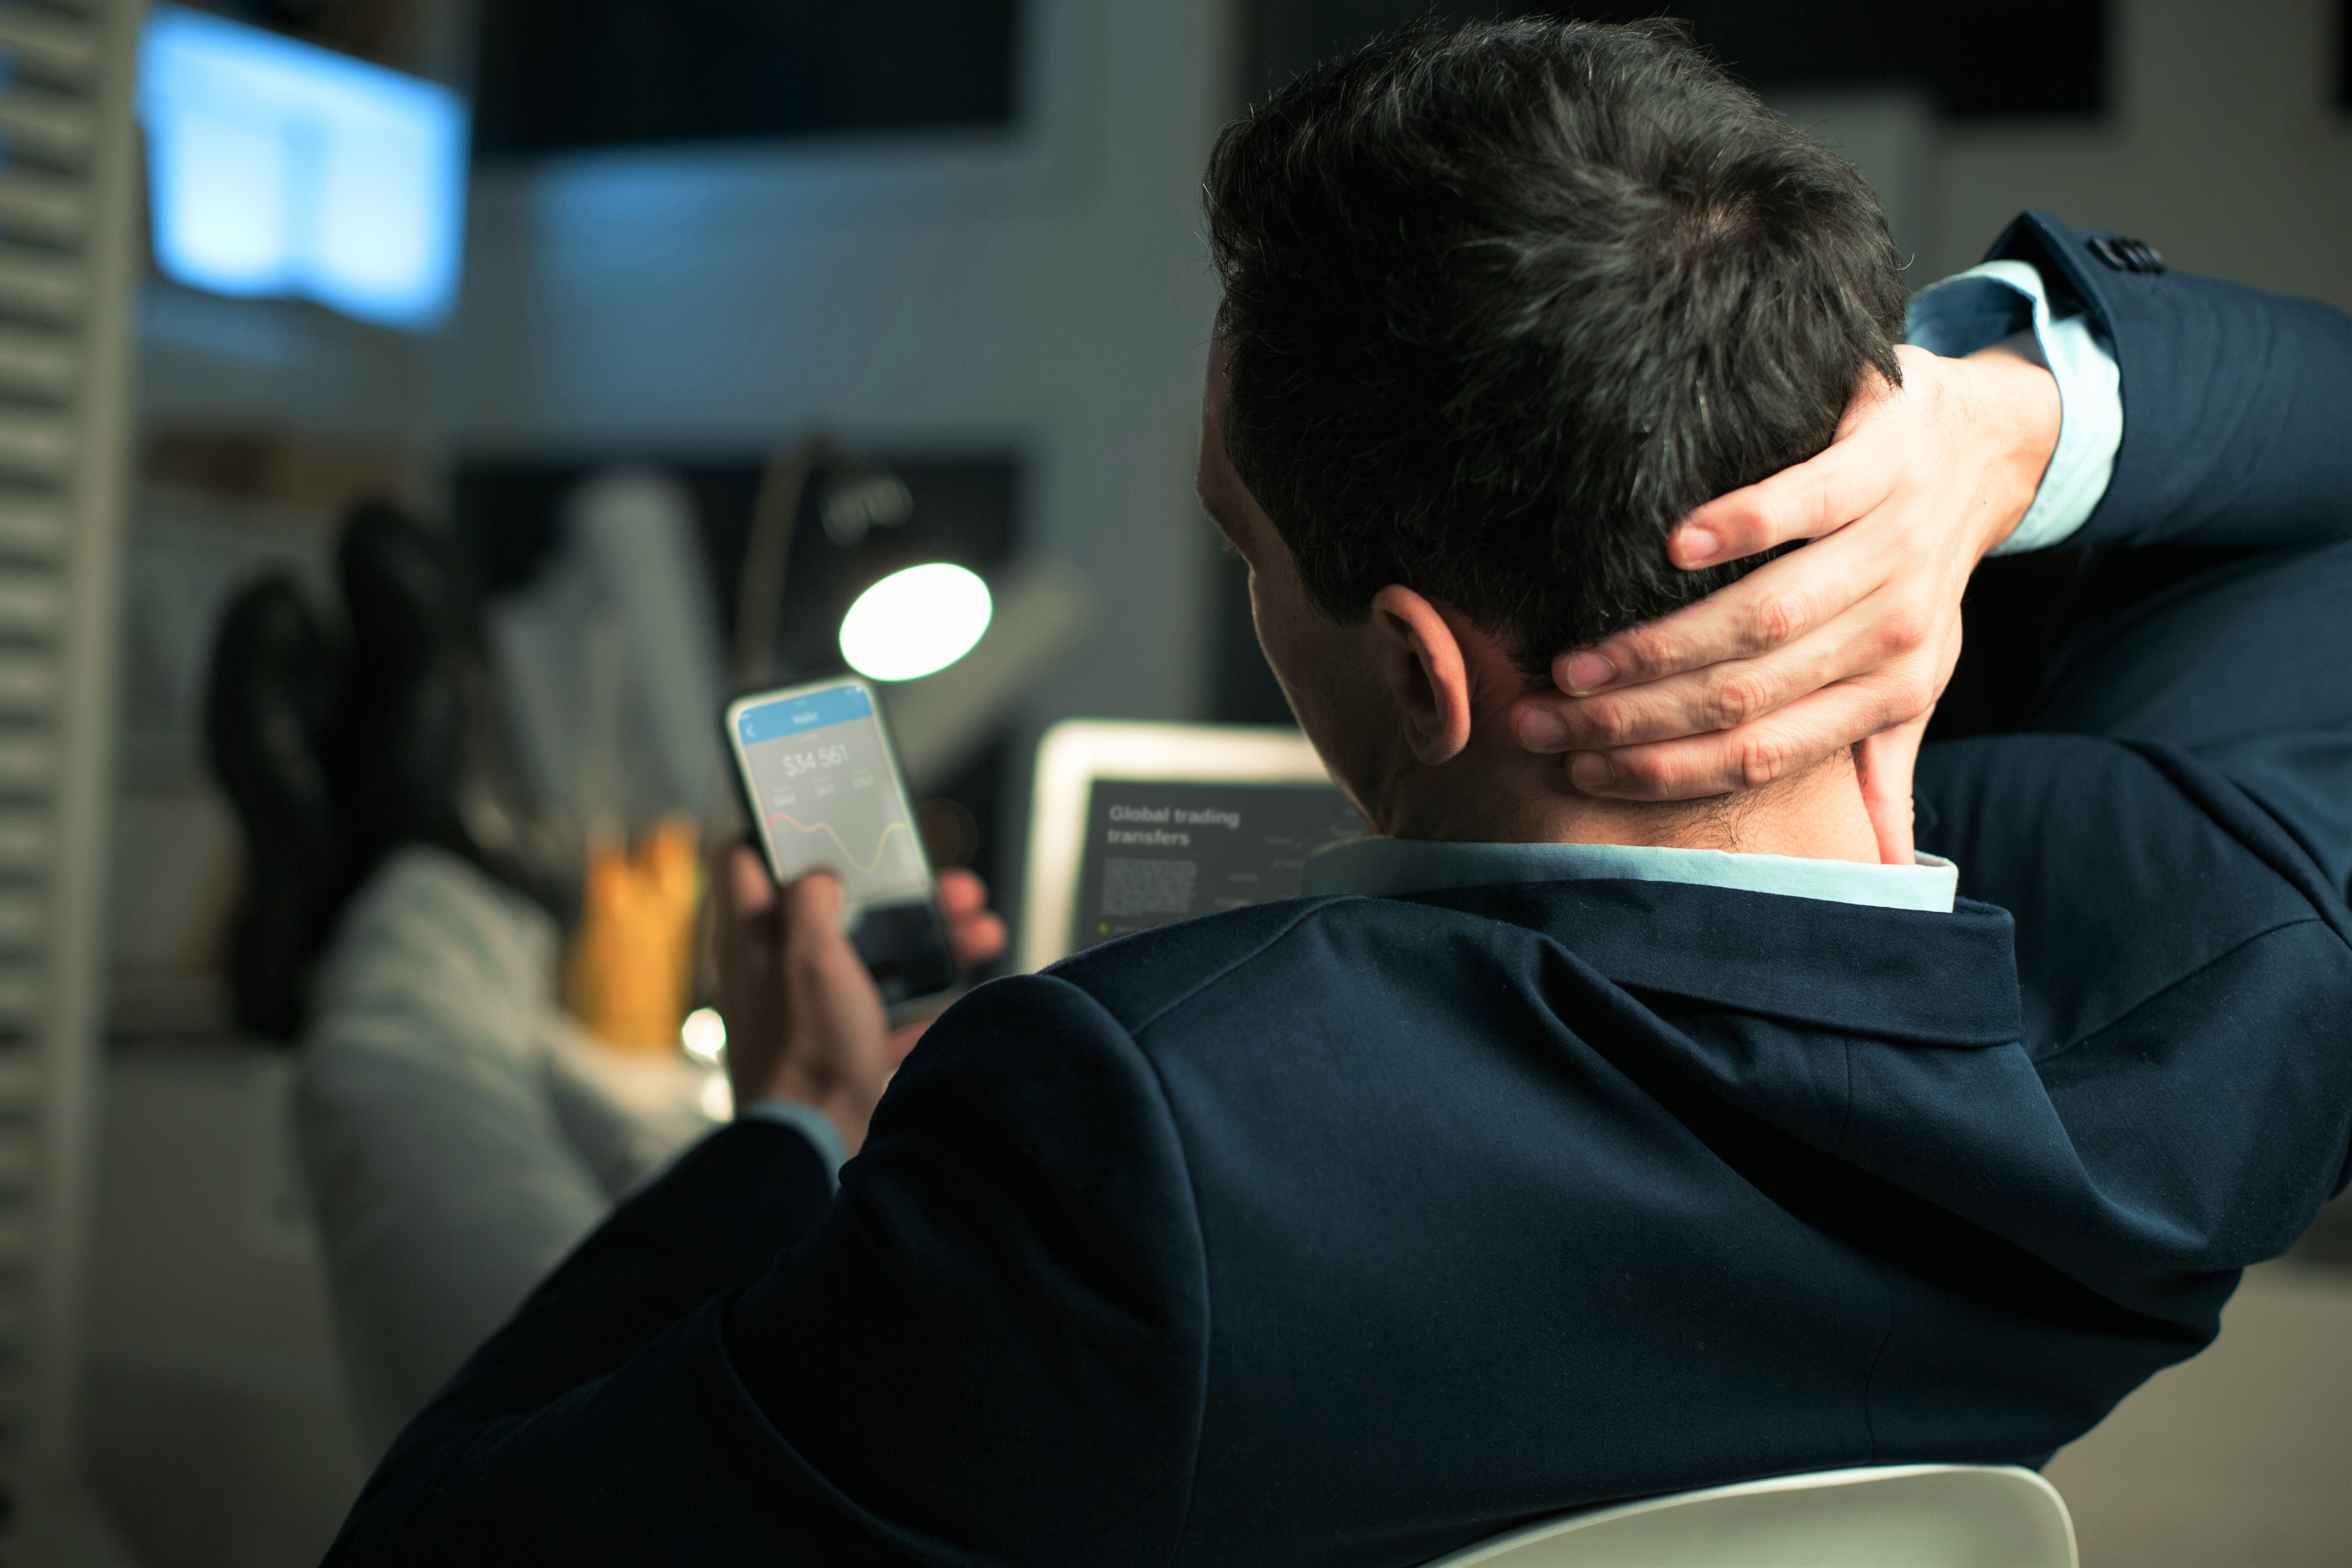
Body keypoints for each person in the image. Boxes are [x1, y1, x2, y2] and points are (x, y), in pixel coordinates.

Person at [303, 18, 2352, 1565]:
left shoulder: (1124, 1145)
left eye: (1245, 555)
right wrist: (2017, 413)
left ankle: (404, 883)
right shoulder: (2220, 1006)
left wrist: (801, 1126)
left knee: (410, 1081)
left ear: (1419, 670)